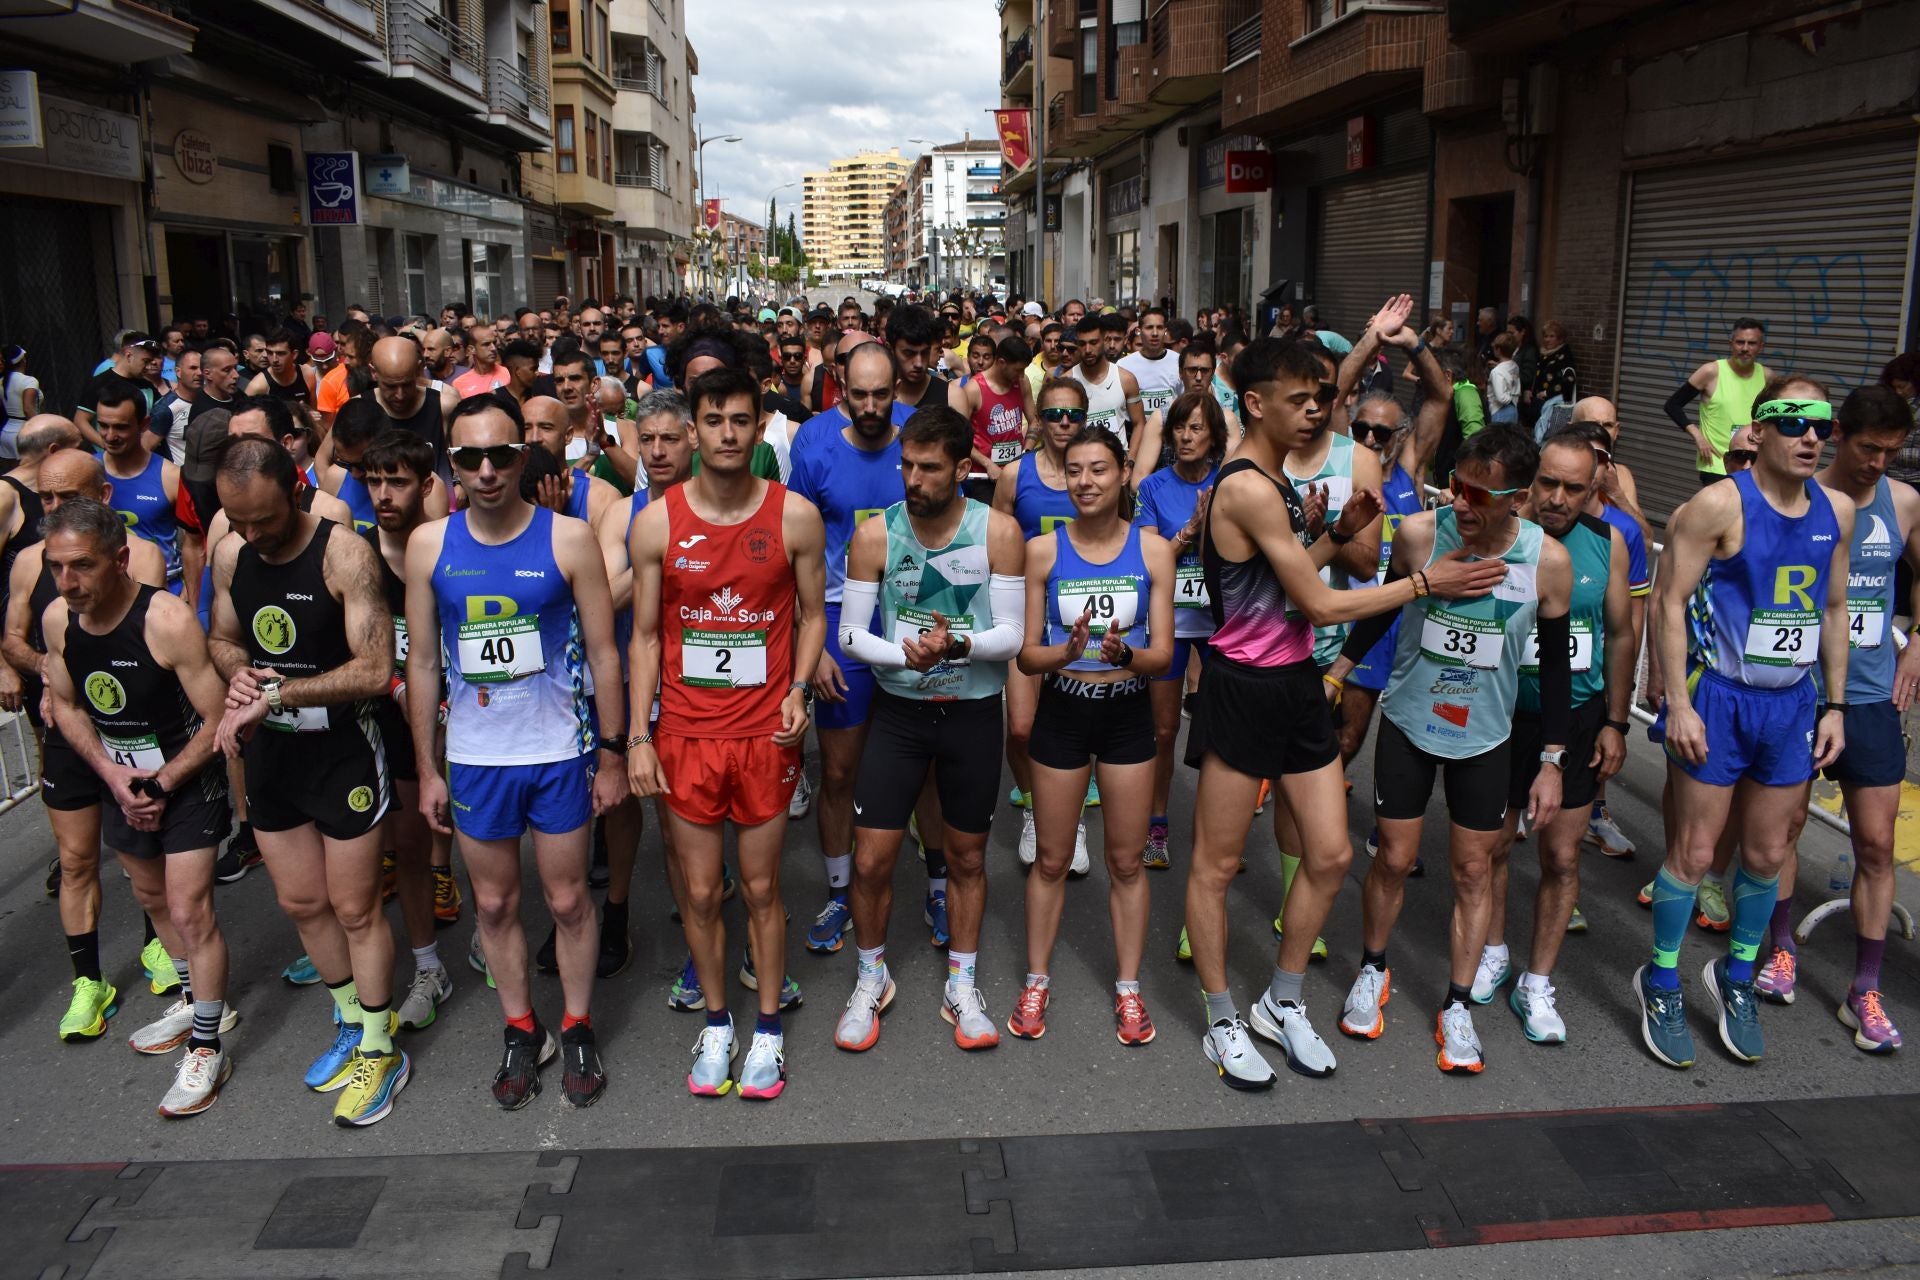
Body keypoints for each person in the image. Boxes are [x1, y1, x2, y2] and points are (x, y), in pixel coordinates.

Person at [1182, 339, 1507, 1089]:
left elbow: (1275, 572)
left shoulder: (1278, 481)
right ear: (1256, 403)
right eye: (1301, 399)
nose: (1318, 411)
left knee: (1329, 855)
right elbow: (1320, 601)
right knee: (1217, 865)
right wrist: (1425, 584)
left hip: (1295, 682)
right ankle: (1222, 1016)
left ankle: (1281, 1000)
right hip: (1242, 686)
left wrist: (1335, 531)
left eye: (1322, 397)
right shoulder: (1248, 487)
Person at [404, 394, 628, 1109]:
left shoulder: (568, 539)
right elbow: (424, 668)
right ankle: (520, 1028)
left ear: (524, 454)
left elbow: (603, 653)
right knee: (495, 905)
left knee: (567, 900)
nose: (489, 470)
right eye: (470, 457)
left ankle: (579, 1022)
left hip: (558, 749)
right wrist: (427, 768)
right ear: (452, 462)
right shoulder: (428, 545)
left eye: (503, 453)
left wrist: (616, 754)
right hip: (476, 758)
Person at [1640, 379, 1852, 1069]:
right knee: (1696, 855)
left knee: (1767, 855)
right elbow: (1668, 601)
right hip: (1722, 697)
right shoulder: (1715, 506)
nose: (1810, 436)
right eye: (1792, 422)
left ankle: (1736, 979)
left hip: (1791, 703)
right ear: (1757, 432)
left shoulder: (1837, 511)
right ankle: (1663, 980)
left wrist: (1836, 707)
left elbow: (1832, 610)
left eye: (1822, 424)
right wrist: (1678, 699)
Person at [627, 368, 827, 1099]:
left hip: (765, 735)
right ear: (692, 431)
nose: (728, 435)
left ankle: (767, 1030)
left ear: (759, 425)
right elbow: (644, 638)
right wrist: (637, 736)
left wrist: (800, 689)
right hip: (684, 733)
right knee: (703, 894)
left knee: (764, 887)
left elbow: (812, 617)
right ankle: (719, 1021)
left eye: (741, 421)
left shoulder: (795, 516)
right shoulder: (656, 523)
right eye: (713, 422)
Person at [208, 438, 404, 1126]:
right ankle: (350, 1018)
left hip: (343, 750)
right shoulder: (232, 553)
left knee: (355, 908)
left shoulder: (343, 553)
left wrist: (281, 695)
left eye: (265, 519)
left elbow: (376, 669)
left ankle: (382, 1046)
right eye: (240, 522)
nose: (254, 535)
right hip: (274, 757)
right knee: (300, 901)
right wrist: (236, 670)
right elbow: (224, 636)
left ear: (296, 489)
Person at [831, 405, 1026, 1053]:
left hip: (971, 713)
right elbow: (852, 634)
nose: (913, 479)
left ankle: (961, 986)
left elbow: (1014, 636)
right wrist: (905, 654)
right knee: (872, 859)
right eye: (906, 465)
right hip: (901, 713)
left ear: (963, 470)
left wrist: (955, 647)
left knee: (967, 857)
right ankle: (870, 977)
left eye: (929, 468)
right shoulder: (875, 535)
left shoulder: (997, 531)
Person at [42, 498, 236, 1115]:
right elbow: (68, 705)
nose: (68, 583)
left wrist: (161, 781)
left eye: (82, 567)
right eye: (56, 567)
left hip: (185, 775)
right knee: (152, 901)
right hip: (120, 775)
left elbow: (216, 718)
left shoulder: (167, 619)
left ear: (121, 560)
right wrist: (112, 774)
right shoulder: (57, 620)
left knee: (188, 907)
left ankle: (208, 1046)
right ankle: (193, 998)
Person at [1758, 384, 1918, 1050]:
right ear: (1840, 436)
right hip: (1801, 692)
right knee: (1785, 830)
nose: (1879, 462)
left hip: (1874, 698)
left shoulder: (1905, 502)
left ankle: (1865, 988)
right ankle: (1782, 947)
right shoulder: (1807, 499)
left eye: (1893, 451)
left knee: (1878, 846)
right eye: (1869, 448)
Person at [1009, 426, 1174, 1044]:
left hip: (1128, 710)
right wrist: (1066, 651)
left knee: (1126, 862)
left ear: (1123, 472)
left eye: (1099, 470)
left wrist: (1125, 653)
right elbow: (1027, 657)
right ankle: (1036, 978)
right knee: (1051, 859)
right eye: (1074, 471)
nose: (1085, 482)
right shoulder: (1044, 552)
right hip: (1064, 709)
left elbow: (1163, 658)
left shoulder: (1154, 551)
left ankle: (1129, 990)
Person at [1473, 431, 1633, 1043]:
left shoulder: (1607, 543)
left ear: (1594, 488)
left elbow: (1620, 635)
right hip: (1501, 711)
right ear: (1530, 478)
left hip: (1576, 719)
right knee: (1492, 848)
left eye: (1574, 487)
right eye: (1548, 482)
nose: (1558, 498)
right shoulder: (1500, 536)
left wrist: (1617, 722)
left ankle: (1538, 981)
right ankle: (1492, 949)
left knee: (1562, 855)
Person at [7, 452, 168, 1039]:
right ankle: (88, 982)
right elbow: (16, 638)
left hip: (130, 729)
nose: (52, 509)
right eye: (45, 498)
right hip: (70, 728)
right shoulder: (32, 560)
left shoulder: (138, 556)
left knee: (147, 851)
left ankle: (159, 946)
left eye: (66, 497)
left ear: (102, 494)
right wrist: (50, 674)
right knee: (76, 859)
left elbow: (140, 638)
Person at [786, 343, 918, 955]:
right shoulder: (814, 447)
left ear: (899, 388)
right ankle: (840, 891)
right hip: (840, 616)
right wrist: (810, 645)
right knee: (839, 770)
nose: (869, 407)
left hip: (913, 610)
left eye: (881, 395)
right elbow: (797, 553)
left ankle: (939, 885)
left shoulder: (918, 440)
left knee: (930, 766)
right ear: (840, 385)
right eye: (857, 394)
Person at [596, 389, 700, 990]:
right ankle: (616, 910)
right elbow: (604, 599)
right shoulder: (622, 514)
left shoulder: (719, 507)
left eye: (669, 438)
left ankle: (699, 940)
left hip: (697, 684)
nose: (656, 451)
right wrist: (656, 557)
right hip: (633, 681)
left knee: (684, 823)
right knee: (620, 806)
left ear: (692, 438)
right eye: (647, 440)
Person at [356, 430, 456, 1031]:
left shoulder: (451, 547)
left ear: (425, 487)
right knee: (391, 854)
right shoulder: (354, 553)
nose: (384, 494)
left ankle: (456, 953)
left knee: (458, 846)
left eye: (397, 482)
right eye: (374, 481)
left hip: (461, 716)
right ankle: (405, 970)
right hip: (379, 721)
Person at [992, 377, 1090, 872]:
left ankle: (1070, 821)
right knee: (1024, 727)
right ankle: (1035, 809)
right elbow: (995, 539)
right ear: (1039, 420)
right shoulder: (1014, 475)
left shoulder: (1098, 476)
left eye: (1073, 414)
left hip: (1080, 617)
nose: (1064, 423)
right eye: (1053, 414)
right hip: (1025, 614)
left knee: (1073, 725)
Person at [1133, 392, 1225, 872]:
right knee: (1164, 730)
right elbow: (1148, 559)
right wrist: (1191, 528)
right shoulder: (1152, 487)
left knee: (1221, 735)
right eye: (1179, 429)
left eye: (1196, 429)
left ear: (1214, 439)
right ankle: (1157, 825)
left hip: (1223, 625)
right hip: (1169, 622)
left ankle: (1216, 834)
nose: (1186, 438)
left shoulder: (1232, 481)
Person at [95, 382, 185, 597]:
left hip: (162, 590)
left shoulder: (171, 477)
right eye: (103, 426)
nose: (110, 436)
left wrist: (190, 592)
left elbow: (193, 544)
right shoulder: (88, 473)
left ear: (144, 424)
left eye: (121, 427)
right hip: (105, 590)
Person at [1664, 318, 1769, 487]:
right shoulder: (1711, 371)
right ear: (1731, 344)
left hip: (1752, 464)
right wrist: (1698, 436)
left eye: (1752, 343)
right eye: (1740, 342)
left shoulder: (1767, 377)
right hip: (1716, 464)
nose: (1745, 348)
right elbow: (1672, 405)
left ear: (1760, 347)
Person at [961, 335, 1030, 497]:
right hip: (984, 478)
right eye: (1018, 370)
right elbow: (959, 438)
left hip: (1016, 474)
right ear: (1001, 363)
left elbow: (1035, 422)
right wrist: (988, 464)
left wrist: (1026, 453)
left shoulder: (1022, 382)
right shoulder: (973, 389)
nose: (1021, 375)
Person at [1068, 315, 1145, 458]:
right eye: (1082, 344)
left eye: (1093, 342)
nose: (1088, 349)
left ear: (1105, 341)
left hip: (1118, 464)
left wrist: (1131, 460)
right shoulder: (1067, 381)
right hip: (1081, 462)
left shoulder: (1126, 379)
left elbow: (1139, 423)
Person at [244, 329, 319, 421]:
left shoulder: (307, 374)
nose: (274, 359)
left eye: (280, 353)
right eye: (270, 353)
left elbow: (313, 410)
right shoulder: (258, 386)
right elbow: (244, 423)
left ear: (294, 354)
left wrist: (310, 416)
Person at [1, 343, 42, 460]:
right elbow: (28, 408)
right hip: (23, 433)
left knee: (15, 474)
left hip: (6, 433)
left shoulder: (2, 381)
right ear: (23, 360)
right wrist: (42, 427)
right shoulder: (29, 381)